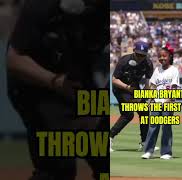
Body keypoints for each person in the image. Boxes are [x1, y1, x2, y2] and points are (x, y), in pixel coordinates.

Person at [6, 0, 108, 179]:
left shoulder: (112, 10)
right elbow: (14, 60)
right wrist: (56, 82)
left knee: (109, 161)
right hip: (37, 84)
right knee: (58, 166)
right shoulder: (41, 5)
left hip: (80, 80)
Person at [110, 41, 158, 152]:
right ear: (134, 51)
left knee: (145, 112)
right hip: (121, 88)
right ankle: (109, 137)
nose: (140, 57)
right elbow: (114, 80)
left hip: (134, 87)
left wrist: (146, 96)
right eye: (138, 54)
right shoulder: (124, 61)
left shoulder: (148, 63)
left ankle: (145, 142)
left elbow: (148, 82)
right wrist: (127, 88)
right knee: (128, 114)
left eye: (143, 55)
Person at [141, 43, 180, 160]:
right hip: (156, 103)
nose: (162, 58)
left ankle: (166, 152)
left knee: (166, 127)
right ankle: (148, 151)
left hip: (168, 103)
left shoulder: (174, 70)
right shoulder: (157, 70)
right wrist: (151, 99)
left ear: (170, 57)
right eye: (160, 56)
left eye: (165, 56)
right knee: (153, 126)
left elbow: (174, 87)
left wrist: (168, 101)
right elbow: (152, 85)